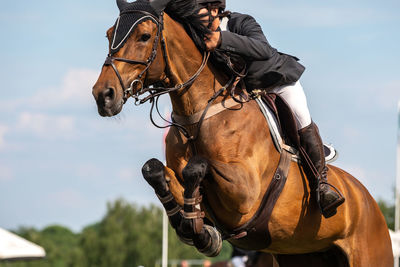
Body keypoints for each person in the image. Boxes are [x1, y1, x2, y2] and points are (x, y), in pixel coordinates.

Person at [195, 0, 345, 218]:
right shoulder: (200, 37)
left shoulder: (240, 22)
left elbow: (262, 49)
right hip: (245, 95)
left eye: (196, 11)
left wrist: (222, 40)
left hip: (278, 80)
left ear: (214, 9)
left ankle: (322, 185)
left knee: (301, 118)